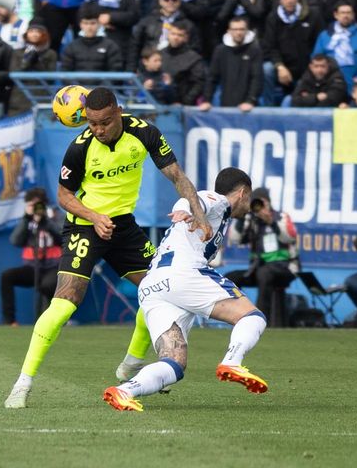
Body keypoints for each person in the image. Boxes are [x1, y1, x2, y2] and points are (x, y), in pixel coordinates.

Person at [4, 87, 208, 409]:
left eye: (104, 123)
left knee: (159, 292)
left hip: (123, 227)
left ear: (118, 112)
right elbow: (63, 196)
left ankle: (131, 364)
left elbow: (177, 176)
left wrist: (201, 216)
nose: (97, 130)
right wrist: (94, 216)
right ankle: (23, 383)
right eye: (91, 123)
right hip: (85, 227)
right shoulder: (80, 148)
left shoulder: (145, 134)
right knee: (64, 305)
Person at [104, 167, 269, 412]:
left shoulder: (219, 219)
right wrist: (184, 206)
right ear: (244, 193)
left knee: (174, 362)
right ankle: (232, 361)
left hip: (153, 285)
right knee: (253, 317)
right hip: (183, 274)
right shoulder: (218, 200)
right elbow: (196, 198)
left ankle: (125, 390)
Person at [225, 188, 298, 326]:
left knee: (264, 274)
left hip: (285, 269)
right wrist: (242, 217)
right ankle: (236, 319)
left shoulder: (281, 217)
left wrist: (271, 221)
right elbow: (235, 239)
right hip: (258, 269)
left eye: (262, 202)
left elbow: (289, 237)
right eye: (256, 202)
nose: (259, 206)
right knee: (231, 277)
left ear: (269, 203)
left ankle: (258, 322)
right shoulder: (251, 221)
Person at [0, 188, 62, 327]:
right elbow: (15, 241)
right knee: (7, 276)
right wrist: (26, 219)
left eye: (38, 205)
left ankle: (49, 322)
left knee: (47, 285)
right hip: (32, 267)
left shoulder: (55, 216)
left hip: (53, 266)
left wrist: (47, 221)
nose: (36, 208)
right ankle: (9, 321)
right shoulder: (27, 222)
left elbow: (63, 236)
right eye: (32, 205)